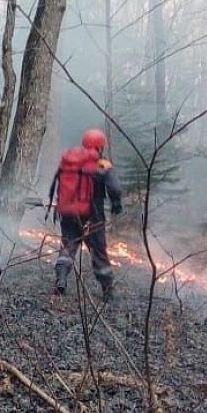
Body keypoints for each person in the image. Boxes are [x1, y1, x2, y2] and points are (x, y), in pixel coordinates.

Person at [49, 128, 123, 299]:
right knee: (98, 250)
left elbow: (58, 184)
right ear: (100, 146)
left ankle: (61, 279)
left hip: (67, 214)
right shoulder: (102, 165)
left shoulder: (69, 161)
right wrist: (116, 204)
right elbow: (115, 188)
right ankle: (107, 289)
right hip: (93, 216)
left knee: (68, 245)